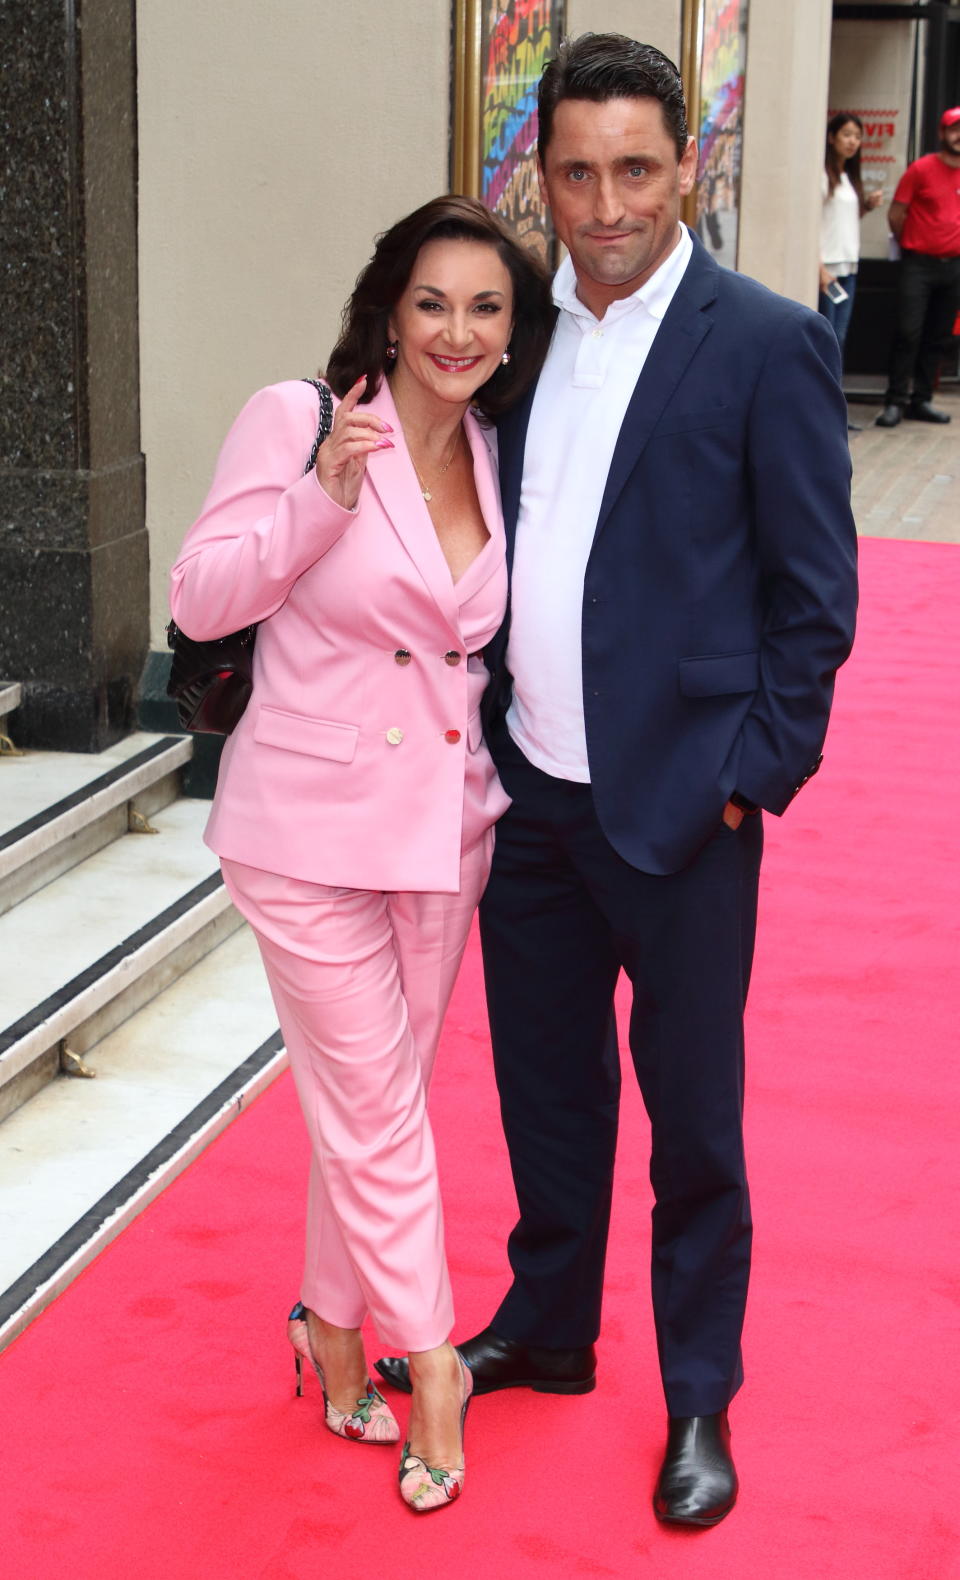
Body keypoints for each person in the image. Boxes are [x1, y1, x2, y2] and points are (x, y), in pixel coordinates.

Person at [377, 35, 858, 1528]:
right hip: (537, 796)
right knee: (547, 1090)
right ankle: (554, 1323)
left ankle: (700, 1393)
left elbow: (815, 598)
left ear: (687, 169)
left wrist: (749, 777)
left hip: (684, 808)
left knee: (695, 1117)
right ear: (543, 176)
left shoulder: (764, 342)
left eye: (634, 169)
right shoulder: (519, 340)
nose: (603, 203)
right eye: (576, 171)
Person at [169, 195, 553, 1514]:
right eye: (433, 301)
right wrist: (319, 504)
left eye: (486, 307)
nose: (458, 330)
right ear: (389, 307)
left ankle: (330, 1325)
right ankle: (430, 1363)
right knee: (381, 1108)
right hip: (306, 830)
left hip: (444, 834)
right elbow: (202, 595)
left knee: (366, 1102)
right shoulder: (306, 420)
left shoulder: (500, 449)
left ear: (513, 330)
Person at [876, 107, 960, 427]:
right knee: (907, 333)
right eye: (954, 129)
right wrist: (913, 243)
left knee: (937, 336)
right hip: (919, 265)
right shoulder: (921, 169)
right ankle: (895, 400)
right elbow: (896, 214)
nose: (959, 135)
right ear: (942, 133)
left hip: (954, 267)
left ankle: (921, 400)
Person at [819, 111, 883, 360]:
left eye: (857, 136)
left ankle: (833, 394)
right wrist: (820, 268)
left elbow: (839, 221)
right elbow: (814, 223)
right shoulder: (823, 175)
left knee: (839, 337)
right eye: (846, 135)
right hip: (828, 269)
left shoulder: (848, 176)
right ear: (831, 137)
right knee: (827, 338)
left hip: (848, 267)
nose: (852, 142)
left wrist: (866, 206)